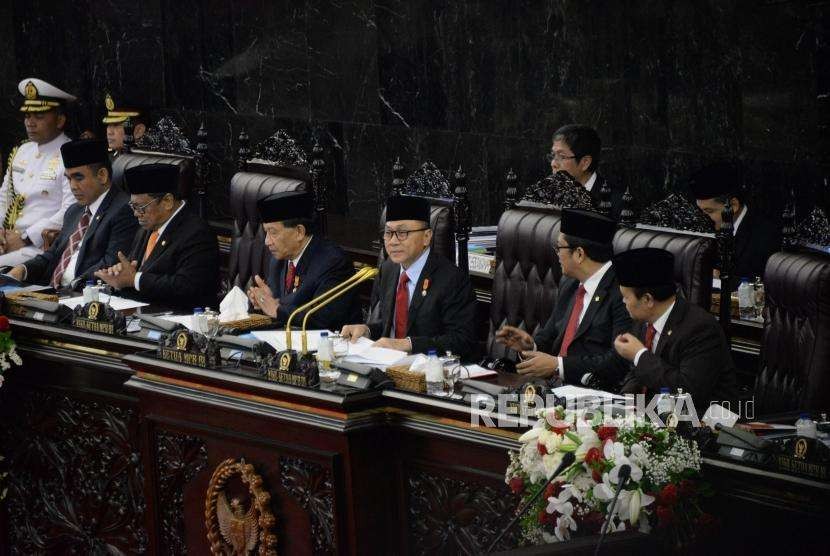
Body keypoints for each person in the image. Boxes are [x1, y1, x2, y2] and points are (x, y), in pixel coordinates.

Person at [495, 209, 631, 389]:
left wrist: (558, 366)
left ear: (580, 254)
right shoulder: (571, 285)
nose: (557, 253)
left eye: (559, 247)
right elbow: (550, 335)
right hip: (552, 389)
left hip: (592, 394)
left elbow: (618, 361)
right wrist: (530, 347)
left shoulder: (623, 293)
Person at [340, 195, 477, 359]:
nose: (393, 241)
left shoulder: (452, 280)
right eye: (388, 233)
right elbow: (389, 326)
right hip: (386, 365)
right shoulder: (388, 269)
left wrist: (407, 344)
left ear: (427, 236)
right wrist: (367, 330)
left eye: (403, 233)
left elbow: (462, 341)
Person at [613, 247, 738, 410]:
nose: (623, 302)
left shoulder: (700, 328)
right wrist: (624, 405)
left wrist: (639, 355)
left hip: (704, 422)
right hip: (654, 415)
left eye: (626, 297)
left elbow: (687, 392)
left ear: (647, 299)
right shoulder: (642, 320)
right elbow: (637, 374)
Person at [5, 139, 137, 289]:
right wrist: (22, 270)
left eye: (78, 178)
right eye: (69, 179)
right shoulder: (74, 210)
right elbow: (52, 255)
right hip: (49, 292)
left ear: (102, 175)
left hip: (81, 295)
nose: (73, 186)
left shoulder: (123, 210)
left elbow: (109, 265)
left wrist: (69, 288)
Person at [94, 164, 219, 310]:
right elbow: (135, 272)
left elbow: (187, 287)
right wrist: (120, 276)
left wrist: (134, 279)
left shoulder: (197, 233)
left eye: (141, 207)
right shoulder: (147, 227)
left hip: (178, 320)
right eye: (133, 207)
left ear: (167, 201)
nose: (136, 214)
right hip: (142, 314)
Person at [246, 191, 361, 329]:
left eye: (273, 232)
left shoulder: (333, 262)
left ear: (299, 232)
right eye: (266, 232)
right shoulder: (278, 260)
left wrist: (277, 309)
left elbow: (321, 318)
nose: (267, 241)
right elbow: (276, 304)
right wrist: (261, 303)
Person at [0, 78, 76, 266]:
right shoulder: (22, 151)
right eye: (27, 116)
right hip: (7, 240)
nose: (30, 123)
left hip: (39, 246)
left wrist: (25, 238)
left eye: (39, 117)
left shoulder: (71, 155)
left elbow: (70, 211)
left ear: (59, 120)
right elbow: (4, 198)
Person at [690, 161, 781, 291]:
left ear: (733, 206)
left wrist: (721, 277)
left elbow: (759, 285)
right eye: (701, 210)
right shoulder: (706, 225)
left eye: (709, 211)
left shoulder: (764, 235)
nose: (703, 217)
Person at [549, 124, 622, 219]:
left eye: (562, 157)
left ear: (585, 163)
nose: (553, 163)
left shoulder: (617, 205)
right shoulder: (547, 196)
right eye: (553, 155)